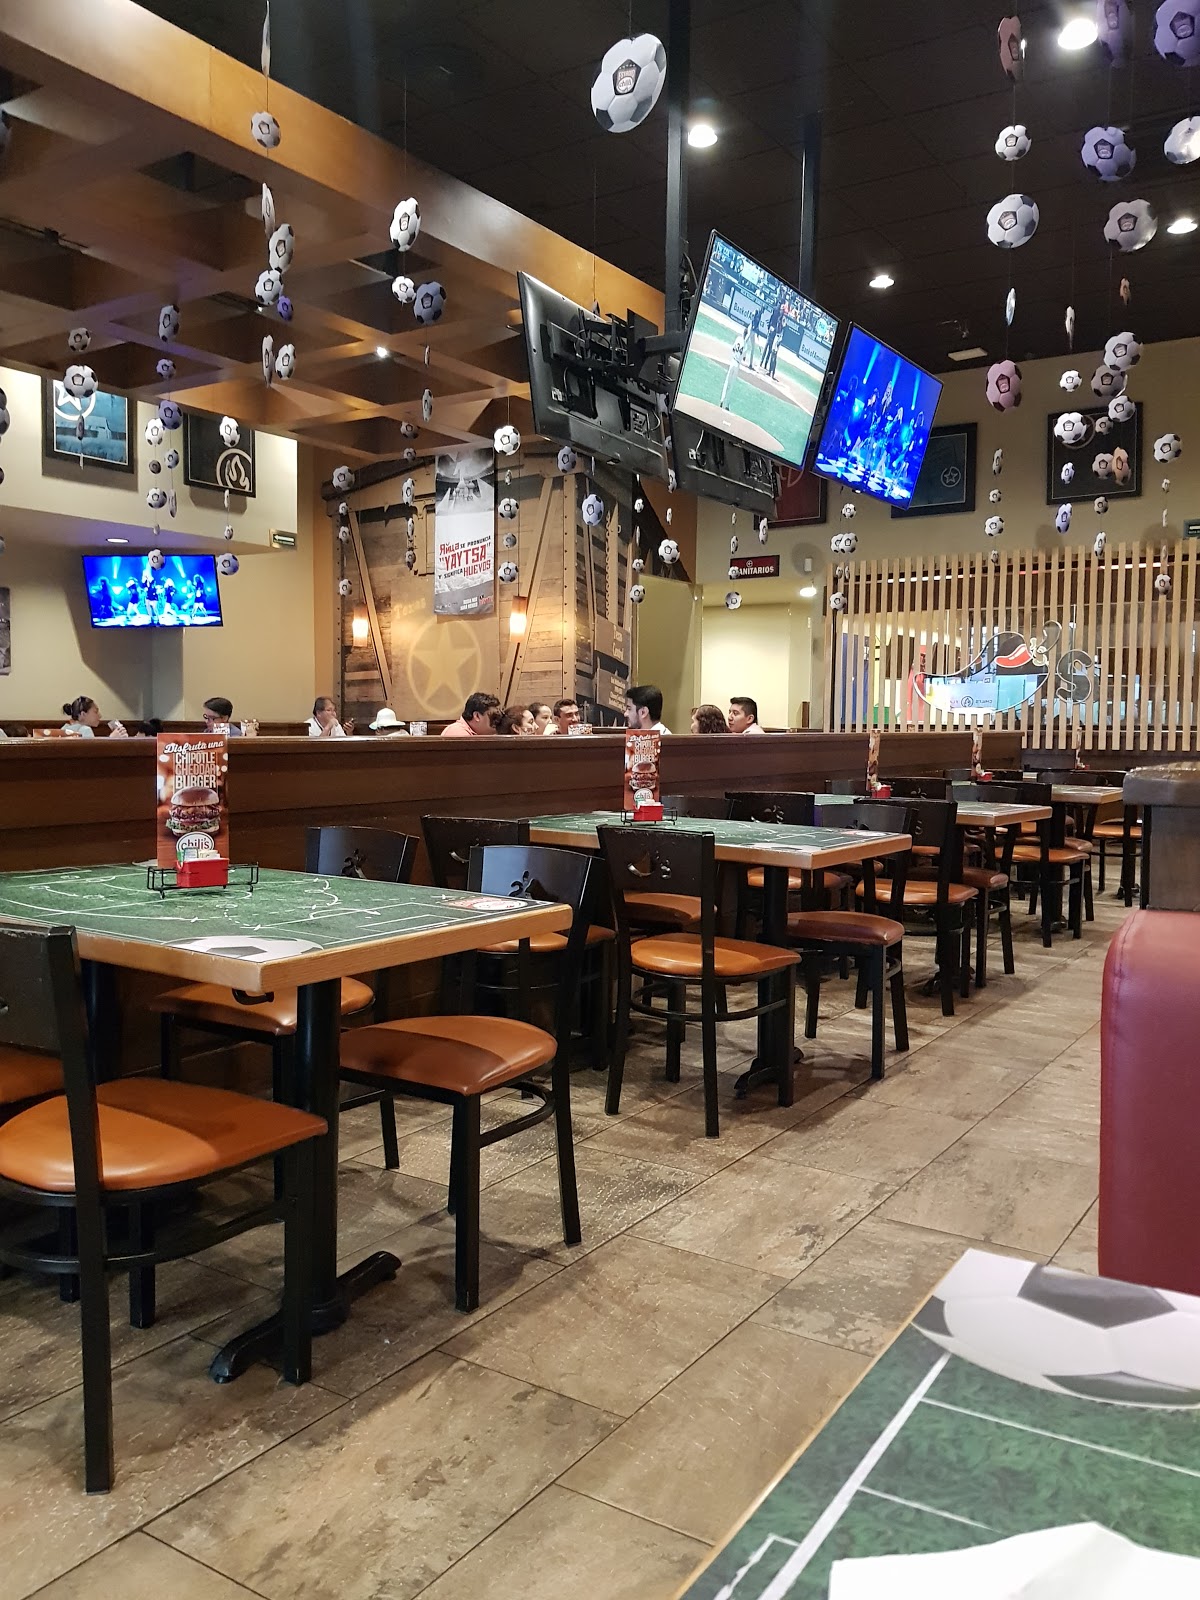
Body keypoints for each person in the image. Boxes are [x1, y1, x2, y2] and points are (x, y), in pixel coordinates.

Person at [61, 697, 127, 738]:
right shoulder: (85, 730)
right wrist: (111, 739)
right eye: (96, 712)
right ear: (83, 714)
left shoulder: (64, 729)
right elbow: (93, 753)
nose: (100, 716)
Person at [719, 323, 751, 410]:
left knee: (727, 382)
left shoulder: (738, 339)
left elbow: (733, 349)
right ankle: (726, 404)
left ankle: (722, 400)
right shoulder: (745, 345)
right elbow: (744, 358)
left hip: (732, 361)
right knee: (731, 385)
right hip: (737, 364)